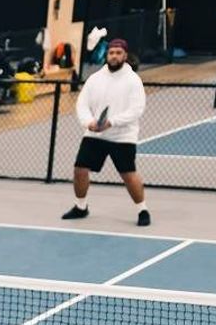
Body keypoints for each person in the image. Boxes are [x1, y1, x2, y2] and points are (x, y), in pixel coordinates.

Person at [61, 38, 150, 226]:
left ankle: (142, 210)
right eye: (111, 53)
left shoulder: (133, 80)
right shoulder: (95, 79)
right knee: (80, 170)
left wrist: (112, 122)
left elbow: (137, 109)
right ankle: (81, 207)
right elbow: (82, 104)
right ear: (107, 55)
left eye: (118, 53)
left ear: (125, 56)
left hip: (123, 136)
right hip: (95, 135)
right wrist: (89, 123)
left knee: (128, 174)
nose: (114, 56)